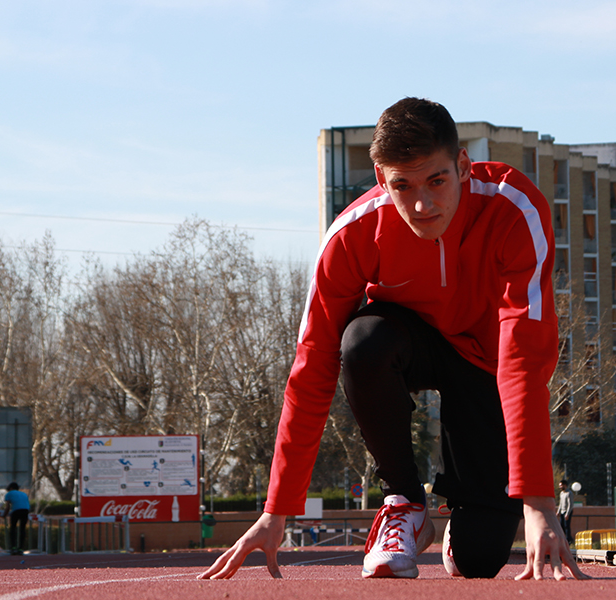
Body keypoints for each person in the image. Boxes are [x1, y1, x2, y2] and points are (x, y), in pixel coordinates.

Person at [201, 98, 586, 582]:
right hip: (407, 343)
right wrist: (276, 511)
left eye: (437, 181)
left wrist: (538, 504)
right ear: (382, 179)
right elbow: (313, 365)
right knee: (361, 341)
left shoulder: (514, 209)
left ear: (463, 165)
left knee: (479, 560)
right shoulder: (352, 236)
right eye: (403, 185)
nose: (422, 205)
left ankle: (459, 526)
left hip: (487, 363)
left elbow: (523, 358)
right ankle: (405, 501)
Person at [1, 482, 30, 555]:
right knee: (22, 529)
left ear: (10, 488)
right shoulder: (24, 494)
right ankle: (20, 548)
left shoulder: (9, 494)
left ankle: (13, 547)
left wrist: (4, 515)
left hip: (16, 510)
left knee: (13, 529)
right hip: (25, 510)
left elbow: (7, 507)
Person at [557, 480, 573, 545]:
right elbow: (560, 503)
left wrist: (567, 513)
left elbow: (570, 504)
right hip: (562, 511)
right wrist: (558, 511)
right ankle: (563, 539)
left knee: (567, 526)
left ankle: (568, 539)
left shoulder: (569, 493)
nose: (560, 487)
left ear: (565, 485)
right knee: (562, 526)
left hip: (567, 512)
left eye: (561, 485)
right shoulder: (562, 493)